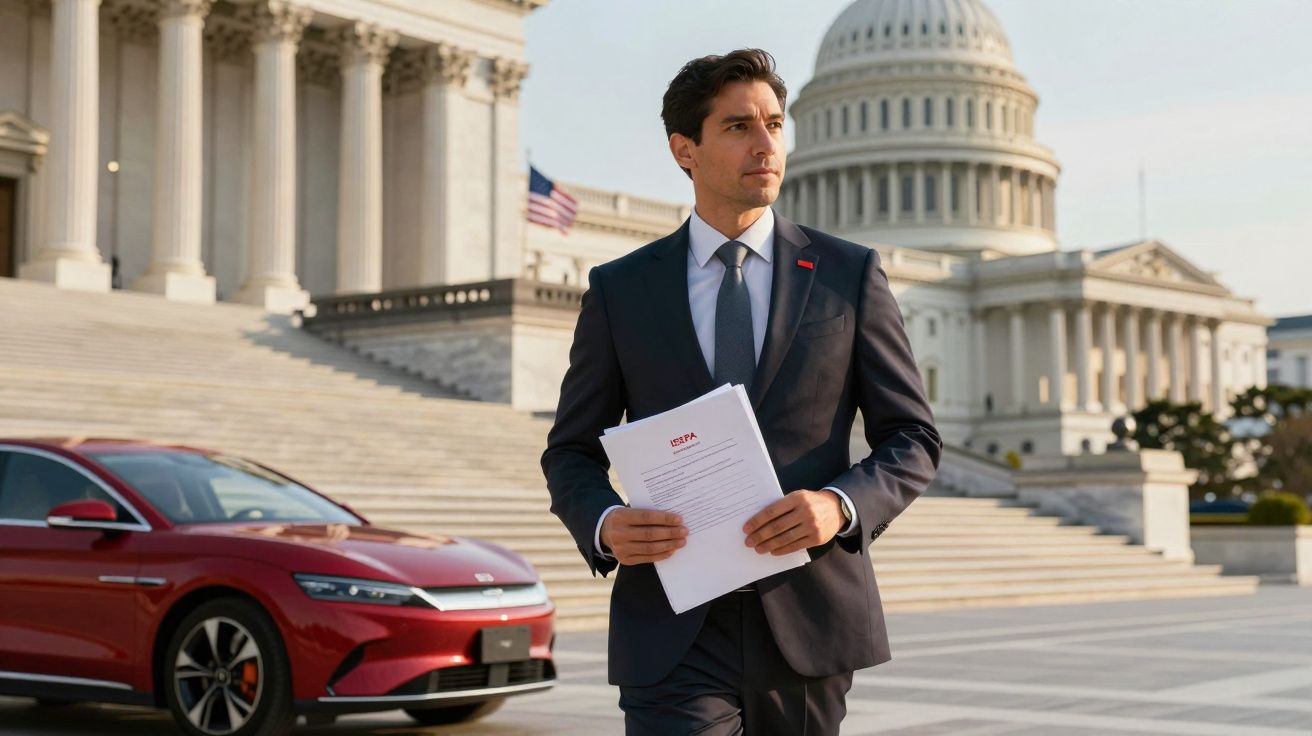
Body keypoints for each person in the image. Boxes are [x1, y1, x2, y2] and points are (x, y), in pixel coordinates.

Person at [541, 48, 941, 735]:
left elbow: (914, 437)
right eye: (738, 127)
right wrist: (605, 522)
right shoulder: (621, 289)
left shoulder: (847, 274)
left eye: (774, 125)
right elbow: (570, 451)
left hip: (809, 615)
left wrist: (840, 505)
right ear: (684, 150)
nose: (766, 144)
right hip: (673, 623)